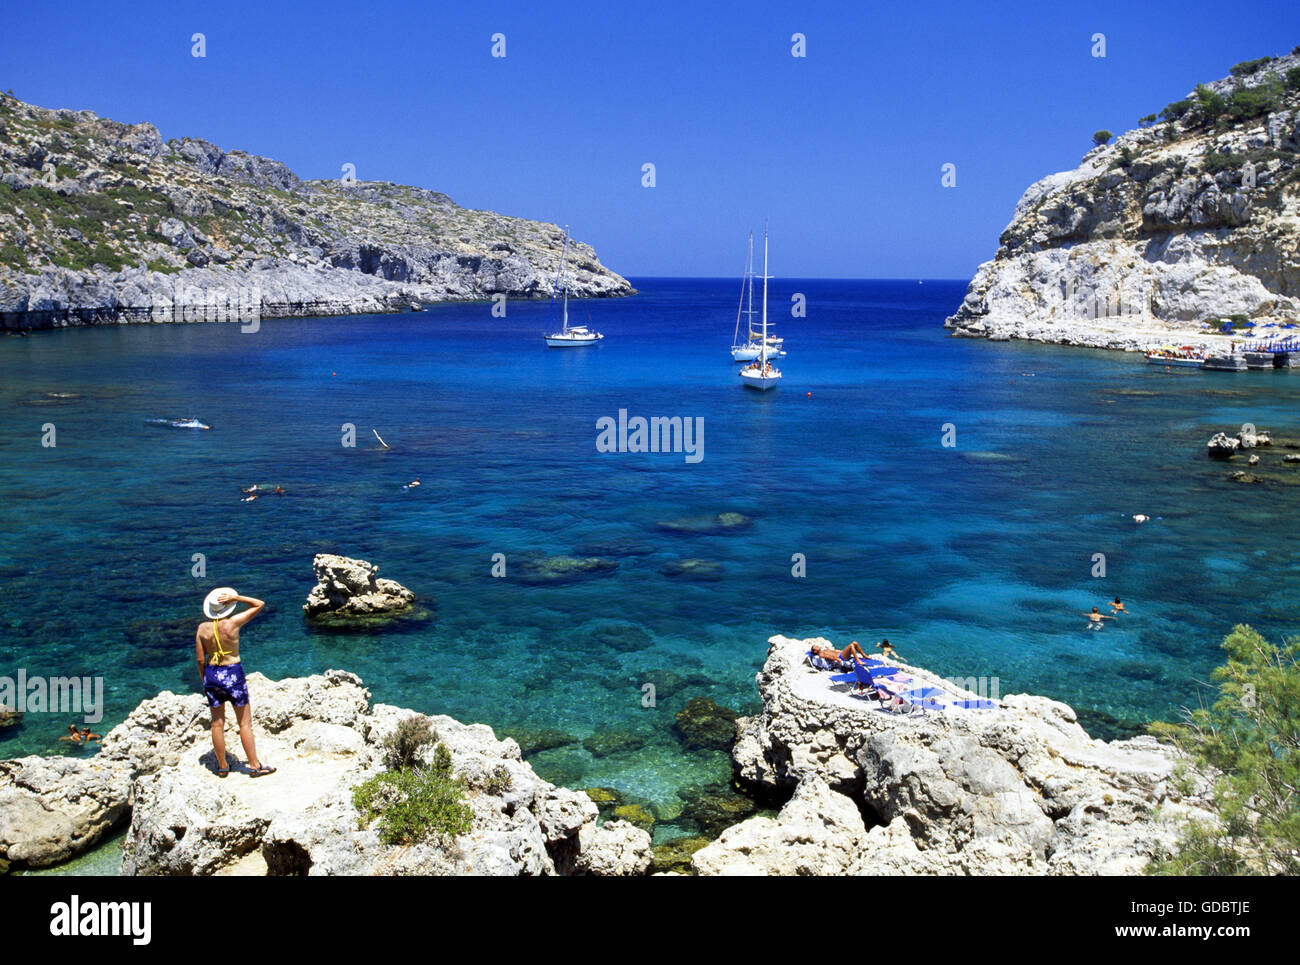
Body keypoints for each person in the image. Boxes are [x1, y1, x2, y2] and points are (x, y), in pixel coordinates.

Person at [195, 588, 276, 778]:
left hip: (212, 675)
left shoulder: (202, 628)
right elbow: (259, 603)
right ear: (227, 607)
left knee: (217, 723)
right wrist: (237, 597)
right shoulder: (233, 623)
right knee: (244, 724)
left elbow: (200, 659)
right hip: (233, 674)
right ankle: (255, 766)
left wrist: (204, 680)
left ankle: (222, 766)